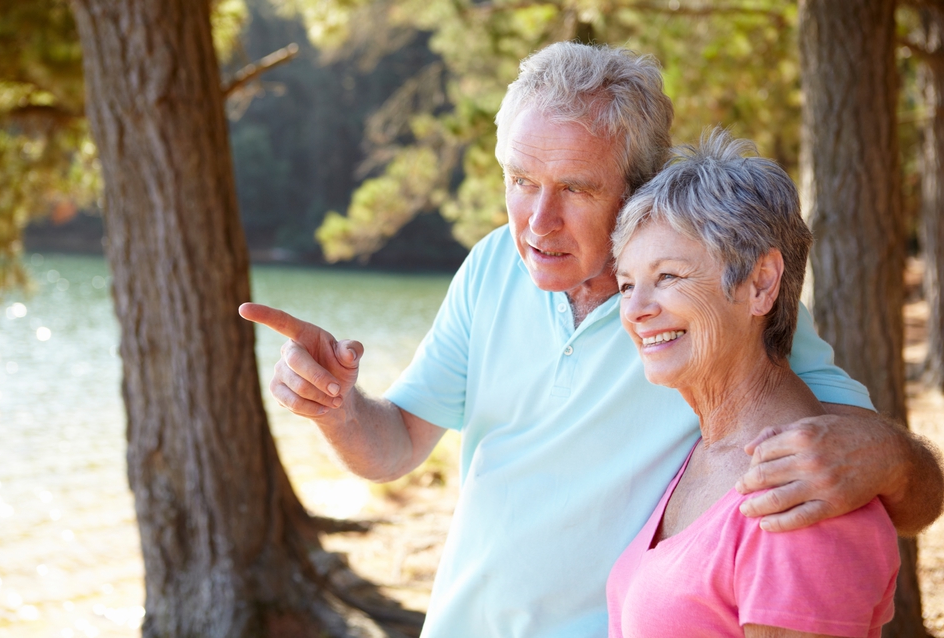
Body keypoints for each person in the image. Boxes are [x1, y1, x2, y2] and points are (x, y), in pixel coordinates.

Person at [238, 42, 942, 638]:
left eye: (574, 189)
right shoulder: (491, 265)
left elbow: (895, 485)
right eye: (520, 181)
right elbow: (392, 447)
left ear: (639, 188)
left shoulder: (710, 314)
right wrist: (337, 405)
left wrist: (886, 455)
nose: (536, 223)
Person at [606, 129, 900, 638]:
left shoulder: (801, 497)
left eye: (669, 276)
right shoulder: (708, 452)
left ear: (761, 283)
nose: (634, 310)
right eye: (627, 284)